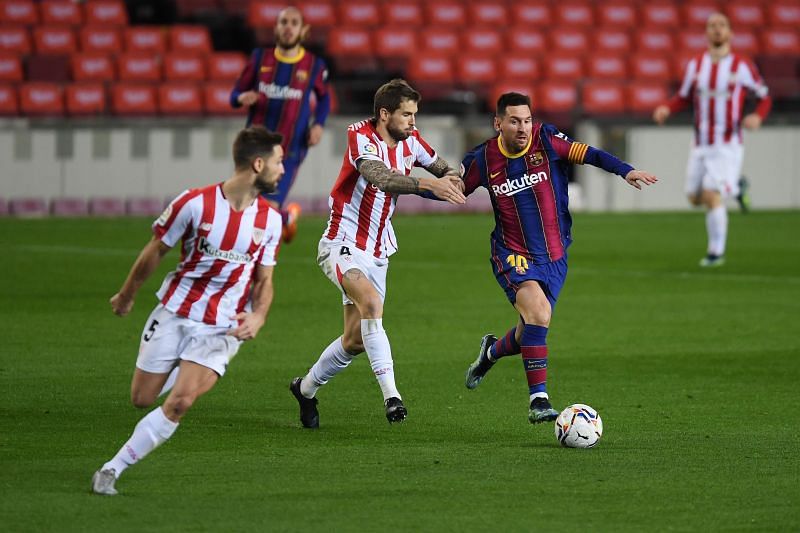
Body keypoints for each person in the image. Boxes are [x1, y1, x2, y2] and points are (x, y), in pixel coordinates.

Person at [91, 127, 284, 495]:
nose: (282, 169)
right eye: (278, 161)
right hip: (176, 311)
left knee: (179, 402)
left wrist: (258, 316)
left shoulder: (271, 221)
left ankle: (111, 469)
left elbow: (264, 280)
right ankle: (179, 365)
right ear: (258, 164)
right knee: (142, 399)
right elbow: (155, 251)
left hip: (223, 326)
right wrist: (127, 295)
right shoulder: (194, 203)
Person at [462, 92, 658, 425]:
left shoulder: (548, 141)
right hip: (513, 252)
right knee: (539, 313)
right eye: (514, 121)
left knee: (531, 328)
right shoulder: (482, 160)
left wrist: (625, 171)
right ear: (498, 123)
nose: (523, 127)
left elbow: (590, 154)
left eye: (526, 120)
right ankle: (539, 400)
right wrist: (412, 183)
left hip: (555, 255)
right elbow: (455, 189)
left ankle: (491, 352)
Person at [290, 79, 465, 428]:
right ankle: (392, 397)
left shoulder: (410, 142)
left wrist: (455, 178)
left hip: (378, 249)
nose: (413, 122)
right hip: (342, 242)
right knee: (371, 305)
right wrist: (431, 184)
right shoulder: (360, 137)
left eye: (415, 114)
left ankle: (305, 388)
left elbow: (444, 167)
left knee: (354, 340)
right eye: (407, 115)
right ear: (384, 114)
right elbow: (381, 178)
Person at [653, 12, 771, 267]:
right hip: (700, 144)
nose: (717, 30)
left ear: (730, 33)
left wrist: (758, 117)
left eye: (722, 26)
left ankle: (715, 253)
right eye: (712, 26)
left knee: (711, 194)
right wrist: (666, 108)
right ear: (706, 33)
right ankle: (738, 187)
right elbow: (684, 97)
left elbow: (764, 96)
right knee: (694, 198)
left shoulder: (742, 66)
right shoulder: (696, 65)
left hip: (727, 144)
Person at [230, 6, 331, 243]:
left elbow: (325, 97)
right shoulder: (259, 59)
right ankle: (285, 218)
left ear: (303, 30)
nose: (288, 27)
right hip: (254, 146)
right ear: (276, 27)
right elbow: (234, 94)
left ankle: (259, 267)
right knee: (246, 202)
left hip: (291, 148)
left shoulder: (314, 65)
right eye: (283, 22)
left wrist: (319, 125)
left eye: (294, 23)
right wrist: (241, 98)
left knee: (264, 206)